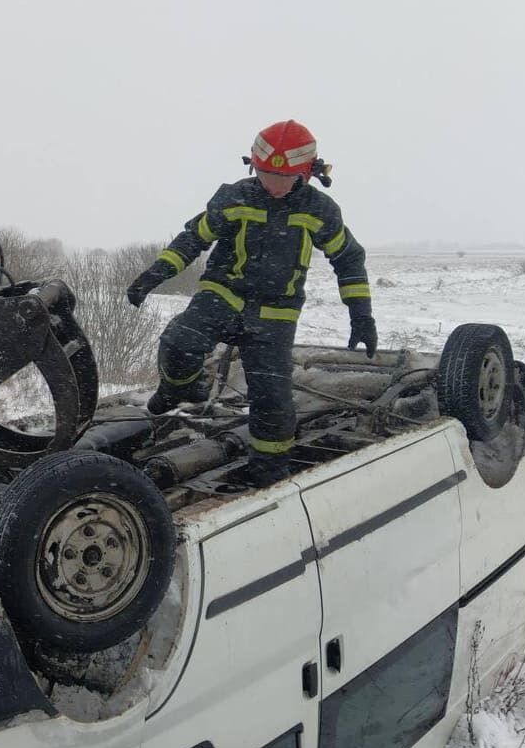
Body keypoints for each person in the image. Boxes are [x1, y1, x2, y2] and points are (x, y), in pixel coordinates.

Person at [126, 120, 376, 486]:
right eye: (265, 173)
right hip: (222, 295)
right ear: (253, 166)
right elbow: (193, 238)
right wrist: (154, 274)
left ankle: (268, 474)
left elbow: (348, 259)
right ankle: (177, 389)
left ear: (306, 173)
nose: (272, 184)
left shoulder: (320, 210)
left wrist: (361, 315)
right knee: (179, 342)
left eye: (282, 177)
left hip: (276, 314)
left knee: (273, 403)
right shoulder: (234, 198)